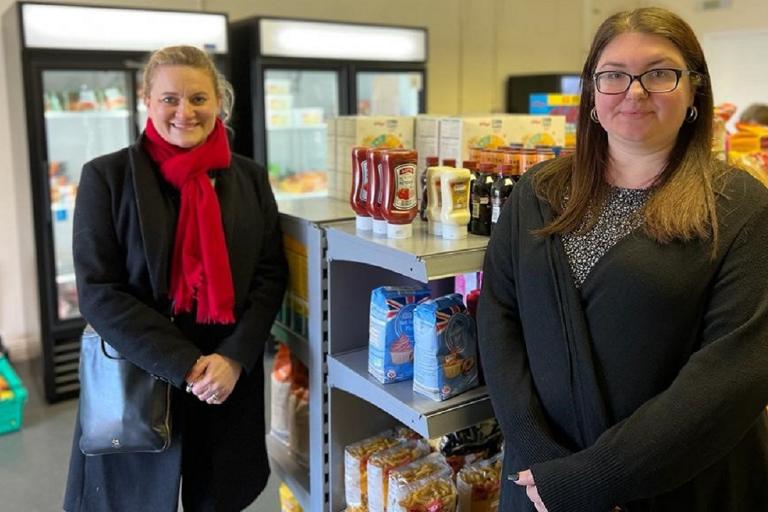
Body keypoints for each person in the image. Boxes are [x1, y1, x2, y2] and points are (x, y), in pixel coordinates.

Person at [478, 7, 768, 512]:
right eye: (613, 75)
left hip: (676, 484)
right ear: (591, 93)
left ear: (694, 89)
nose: (634, 91)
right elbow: (499, 316)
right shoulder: (539, 191)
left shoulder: (741, 207)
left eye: (659, 73)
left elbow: (733, 375)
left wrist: (597, 478)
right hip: (540, 483)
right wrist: (540, 458)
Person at [64, 46, 287, 511]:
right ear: (147, 100)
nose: (185, 112)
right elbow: (99, 293)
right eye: (169, 99)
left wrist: (233, 358)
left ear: (218, 104)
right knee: (136, 500)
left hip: (226, 382)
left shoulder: (248, 179)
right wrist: (186, 366)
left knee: (218, 497)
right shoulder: (107, 178)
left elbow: (269, 275)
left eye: (198, 99)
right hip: (138, 374)